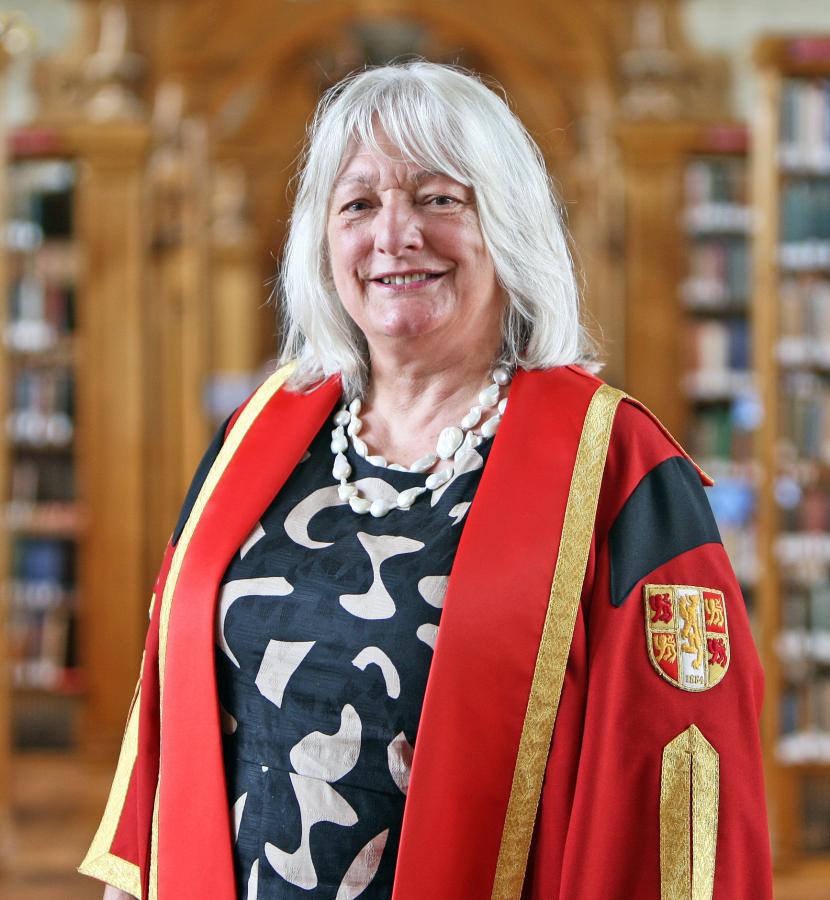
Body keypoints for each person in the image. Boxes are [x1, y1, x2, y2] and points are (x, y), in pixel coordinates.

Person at [80, 61, 771, 899]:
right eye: (359, 204)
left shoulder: (622, 469)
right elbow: (169, 717)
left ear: (508, 225)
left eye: (439, 198)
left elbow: (681, 785)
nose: (394, 235)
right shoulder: (259, 436)